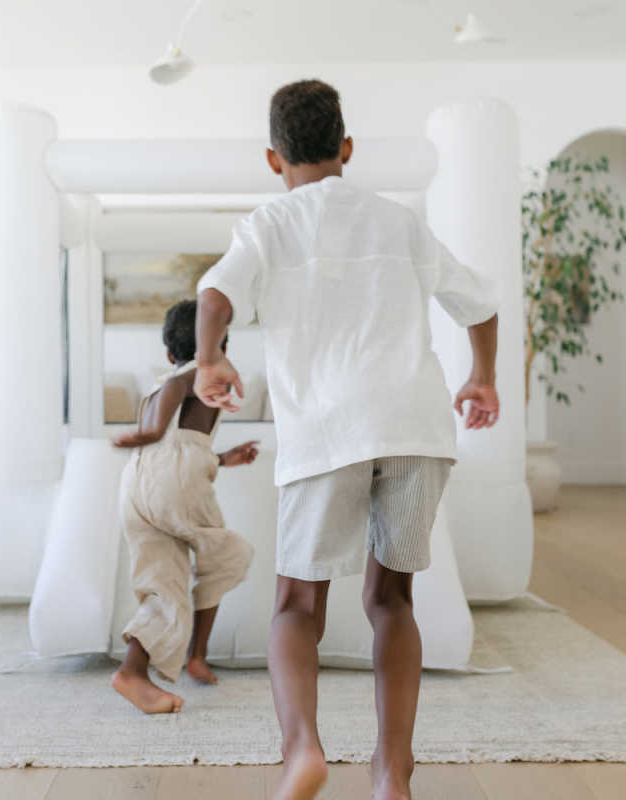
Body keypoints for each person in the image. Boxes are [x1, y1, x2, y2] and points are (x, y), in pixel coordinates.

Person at [194, 80, 500, 799]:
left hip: (327, 432)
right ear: (348, 148)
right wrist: (481, 377)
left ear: (274, 159)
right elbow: (479, 302)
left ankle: (303, 747)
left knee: (297, 606)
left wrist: (211, 357)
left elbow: (214, 296)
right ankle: (393, 771)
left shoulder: (268, 224)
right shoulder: (399, 223)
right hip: (415, 428)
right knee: (391, 600)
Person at [111, 299, 258, 715]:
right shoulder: (194, 375)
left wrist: (225, 458)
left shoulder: (155, 388)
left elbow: (180, 450)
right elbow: (175, 443)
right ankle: (196, 653)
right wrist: (152, 432)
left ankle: (133, 673)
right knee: (227, 556)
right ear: (219, 350)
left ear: (168, 352)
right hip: (172, 485)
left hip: (137, 491)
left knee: (165, 584)